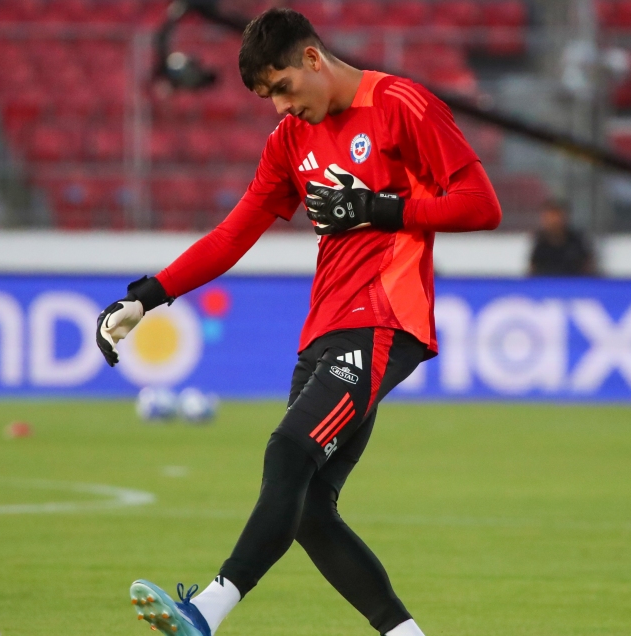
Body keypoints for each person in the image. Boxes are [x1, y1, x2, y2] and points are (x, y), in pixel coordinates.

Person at [93, 9, 501, 636]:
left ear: (313, 58)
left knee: (288, 451)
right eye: (269, 98)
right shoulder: (289, 141)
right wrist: (146, 297)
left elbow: (481, 205)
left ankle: (206, 612)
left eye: (283, 87)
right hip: (324, 330)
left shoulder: (401, 105)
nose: (282, 107)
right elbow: (233, 234)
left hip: (384, 321)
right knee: (308, 508)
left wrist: (382, 209)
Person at [528, 199, 596, 276]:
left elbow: (588, 269)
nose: (554, 221)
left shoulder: (577, 241)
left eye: (556, 216)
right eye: (550, 217)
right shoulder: (539, 243)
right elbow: (532, 271)